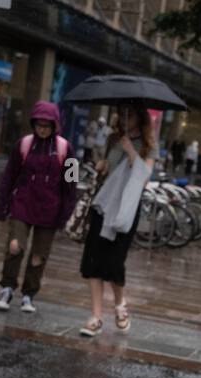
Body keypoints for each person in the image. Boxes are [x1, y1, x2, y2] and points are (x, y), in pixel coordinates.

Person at [78, 104, 156, 337]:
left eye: (130, 114)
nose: (124, 118)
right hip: (103, 206)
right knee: (92, 261)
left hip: (126, 211)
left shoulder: (149, 146)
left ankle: (120, 304)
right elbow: (105, 166)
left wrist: (131, 150)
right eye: (122, 113)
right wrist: (102, 166)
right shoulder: (112, 139)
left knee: (114, 263)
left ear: (139, 118)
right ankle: (96, 316)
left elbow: (143, 178)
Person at [0, 101, 76, 314]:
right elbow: (8, 177)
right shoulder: (23, 144)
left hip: (50, 210)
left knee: (39, 254)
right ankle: (7, 288)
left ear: (55, 125)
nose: (42, 129)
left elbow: (71, 184)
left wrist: (65, 215)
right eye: (39, 124)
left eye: (47, 125)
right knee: (15, 245)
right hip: (22, 203)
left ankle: (29, 294)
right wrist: (0, 208)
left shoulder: (66, 149)